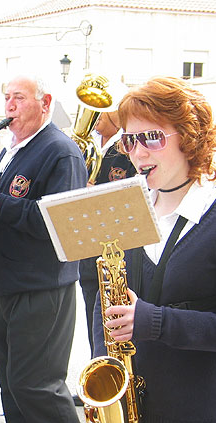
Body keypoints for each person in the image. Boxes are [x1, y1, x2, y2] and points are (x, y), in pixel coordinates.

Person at [92, 76, 216, 423]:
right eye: (129, 141)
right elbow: (104, 303)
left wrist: (154, 322)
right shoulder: (128, 210)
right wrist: (102, 385)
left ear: (191, 137)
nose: (137, 152)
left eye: (151, 138)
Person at [0, 75, 97, 423]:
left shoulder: (61, 152)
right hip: (5, 284)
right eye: (6, 98)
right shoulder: (12, 149)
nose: (9, 107)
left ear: (45, 103)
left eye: (19, 98)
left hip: (43, 288)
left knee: (36, 386)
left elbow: (62, 220)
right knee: (11, 385)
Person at [78, 111, 137, 354]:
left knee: (112, 319)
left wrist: (92, 190)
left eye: (99, 117)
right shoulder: (88, 147)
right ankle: (97, 368)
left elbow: (130, 194)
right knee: (92, 316)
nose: (95, 123)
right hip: (89, 244)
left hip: (116, 243)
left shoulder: (127, 148)